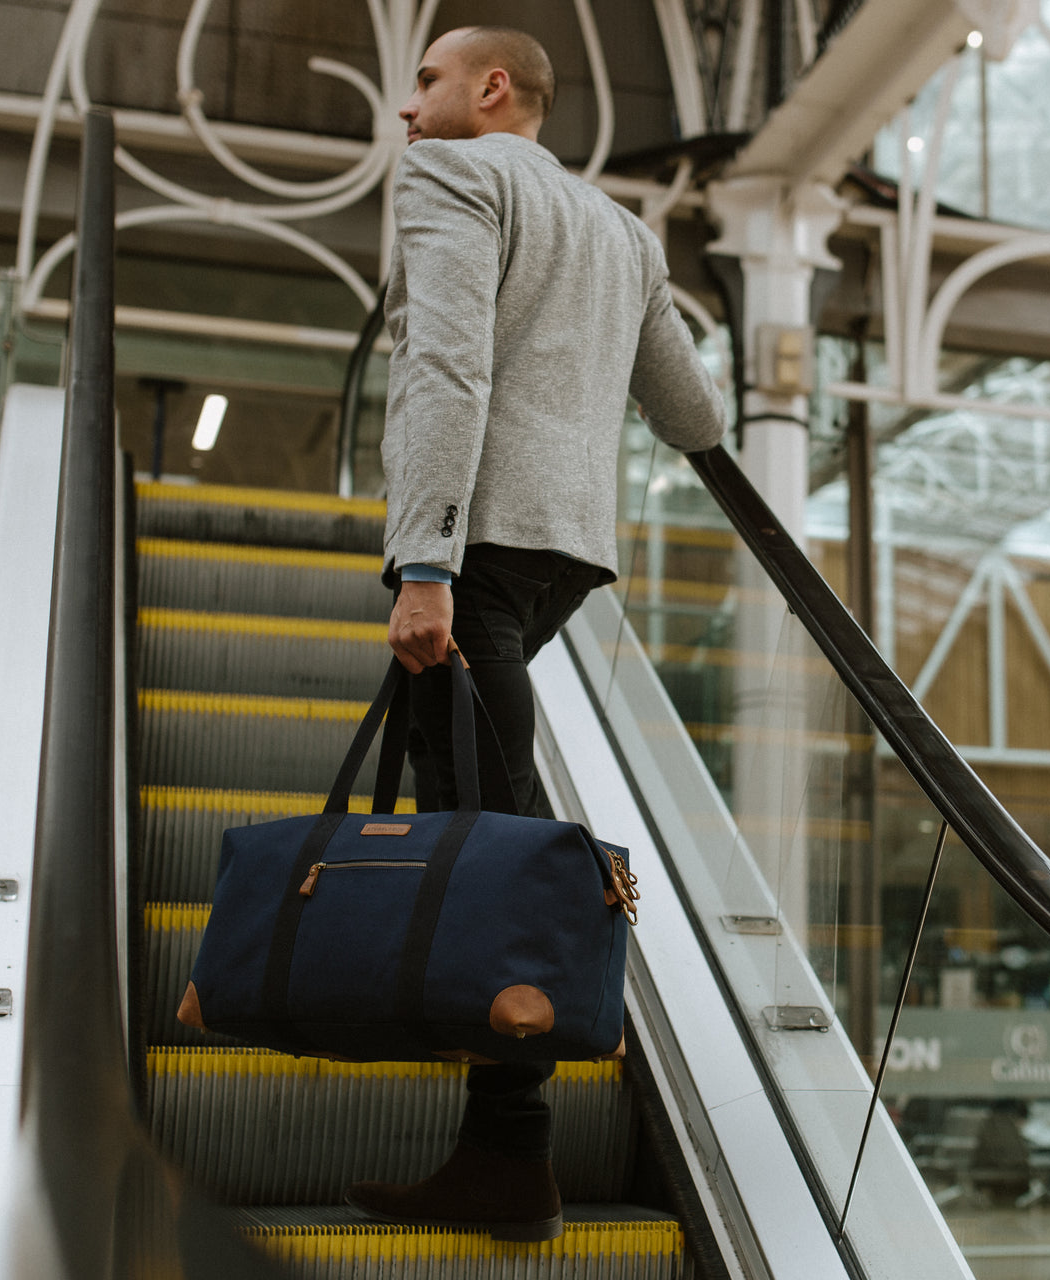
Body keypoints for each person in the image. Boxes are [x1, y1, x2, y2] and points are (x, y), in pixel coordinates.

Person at [345, 25, 727, 1241]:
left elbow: (447, 368)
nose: (409, 112)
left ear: (490, 89)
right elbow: (692, 410)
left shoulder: (454, 174)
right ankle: (499, 1149)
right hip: (566, 551)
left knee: (490, 830)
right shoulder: (620, 231)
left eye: (426, 83)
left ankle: (511, 1159)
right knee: (477, 807)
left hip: (479, 550)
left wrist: (423, 562)